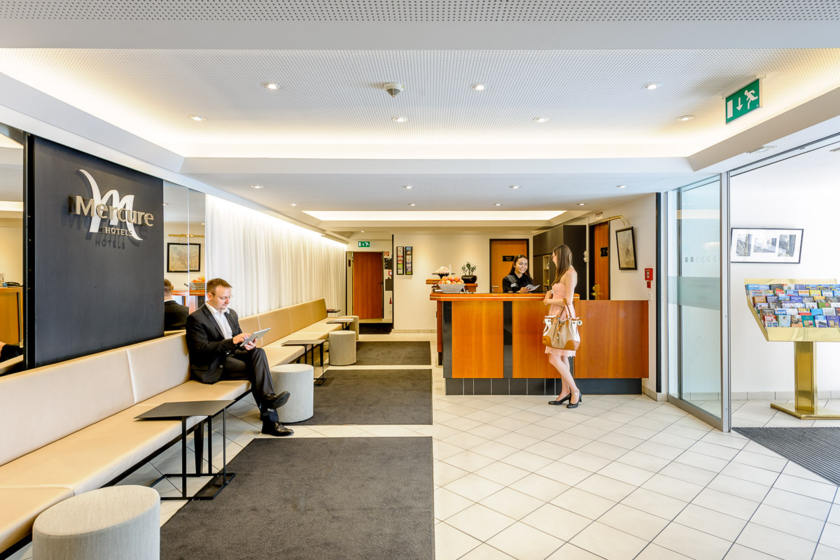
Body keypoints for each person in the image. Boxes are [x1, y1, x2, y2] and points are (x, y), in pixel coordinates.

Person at [186, 278, 293, 436]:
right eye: (223, 297)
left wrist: (247, 344)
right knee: (256, 371)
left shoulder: (231, 314)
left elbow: (238, 340)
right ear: (209, 296)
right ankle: (270, 414)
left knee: (258, 352)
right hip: (213, 364)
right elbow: (200, 350)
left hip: (232, 356)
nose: (228, 301)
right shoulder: (196, 318)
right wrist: (232, 342)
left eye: (229, 297)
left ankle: (268, 401)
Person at [544, 245, 582, 408]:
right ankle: (565, 391)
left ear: (559, 256)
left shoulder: (570, 273)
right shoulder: (563, 273)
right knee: (562, 356)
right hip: (556, 315)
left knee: (553, 357)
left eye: (553, 256)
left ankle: (575, 391)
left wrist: (548, 300)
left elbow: (569, 300)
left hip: (563, 316)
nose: (552, 258)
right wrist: (549, 295)